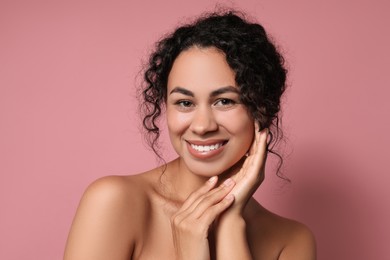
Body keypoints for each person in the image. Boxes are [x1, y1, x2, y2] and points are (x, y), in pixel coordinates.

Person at [64, 10, 316, 260]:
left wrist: (230, 223)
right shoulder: (115, 202)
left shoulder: (291, 241)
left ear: (262, 110)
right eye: (185, 103)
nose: (202, 126)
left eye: (224, 101)